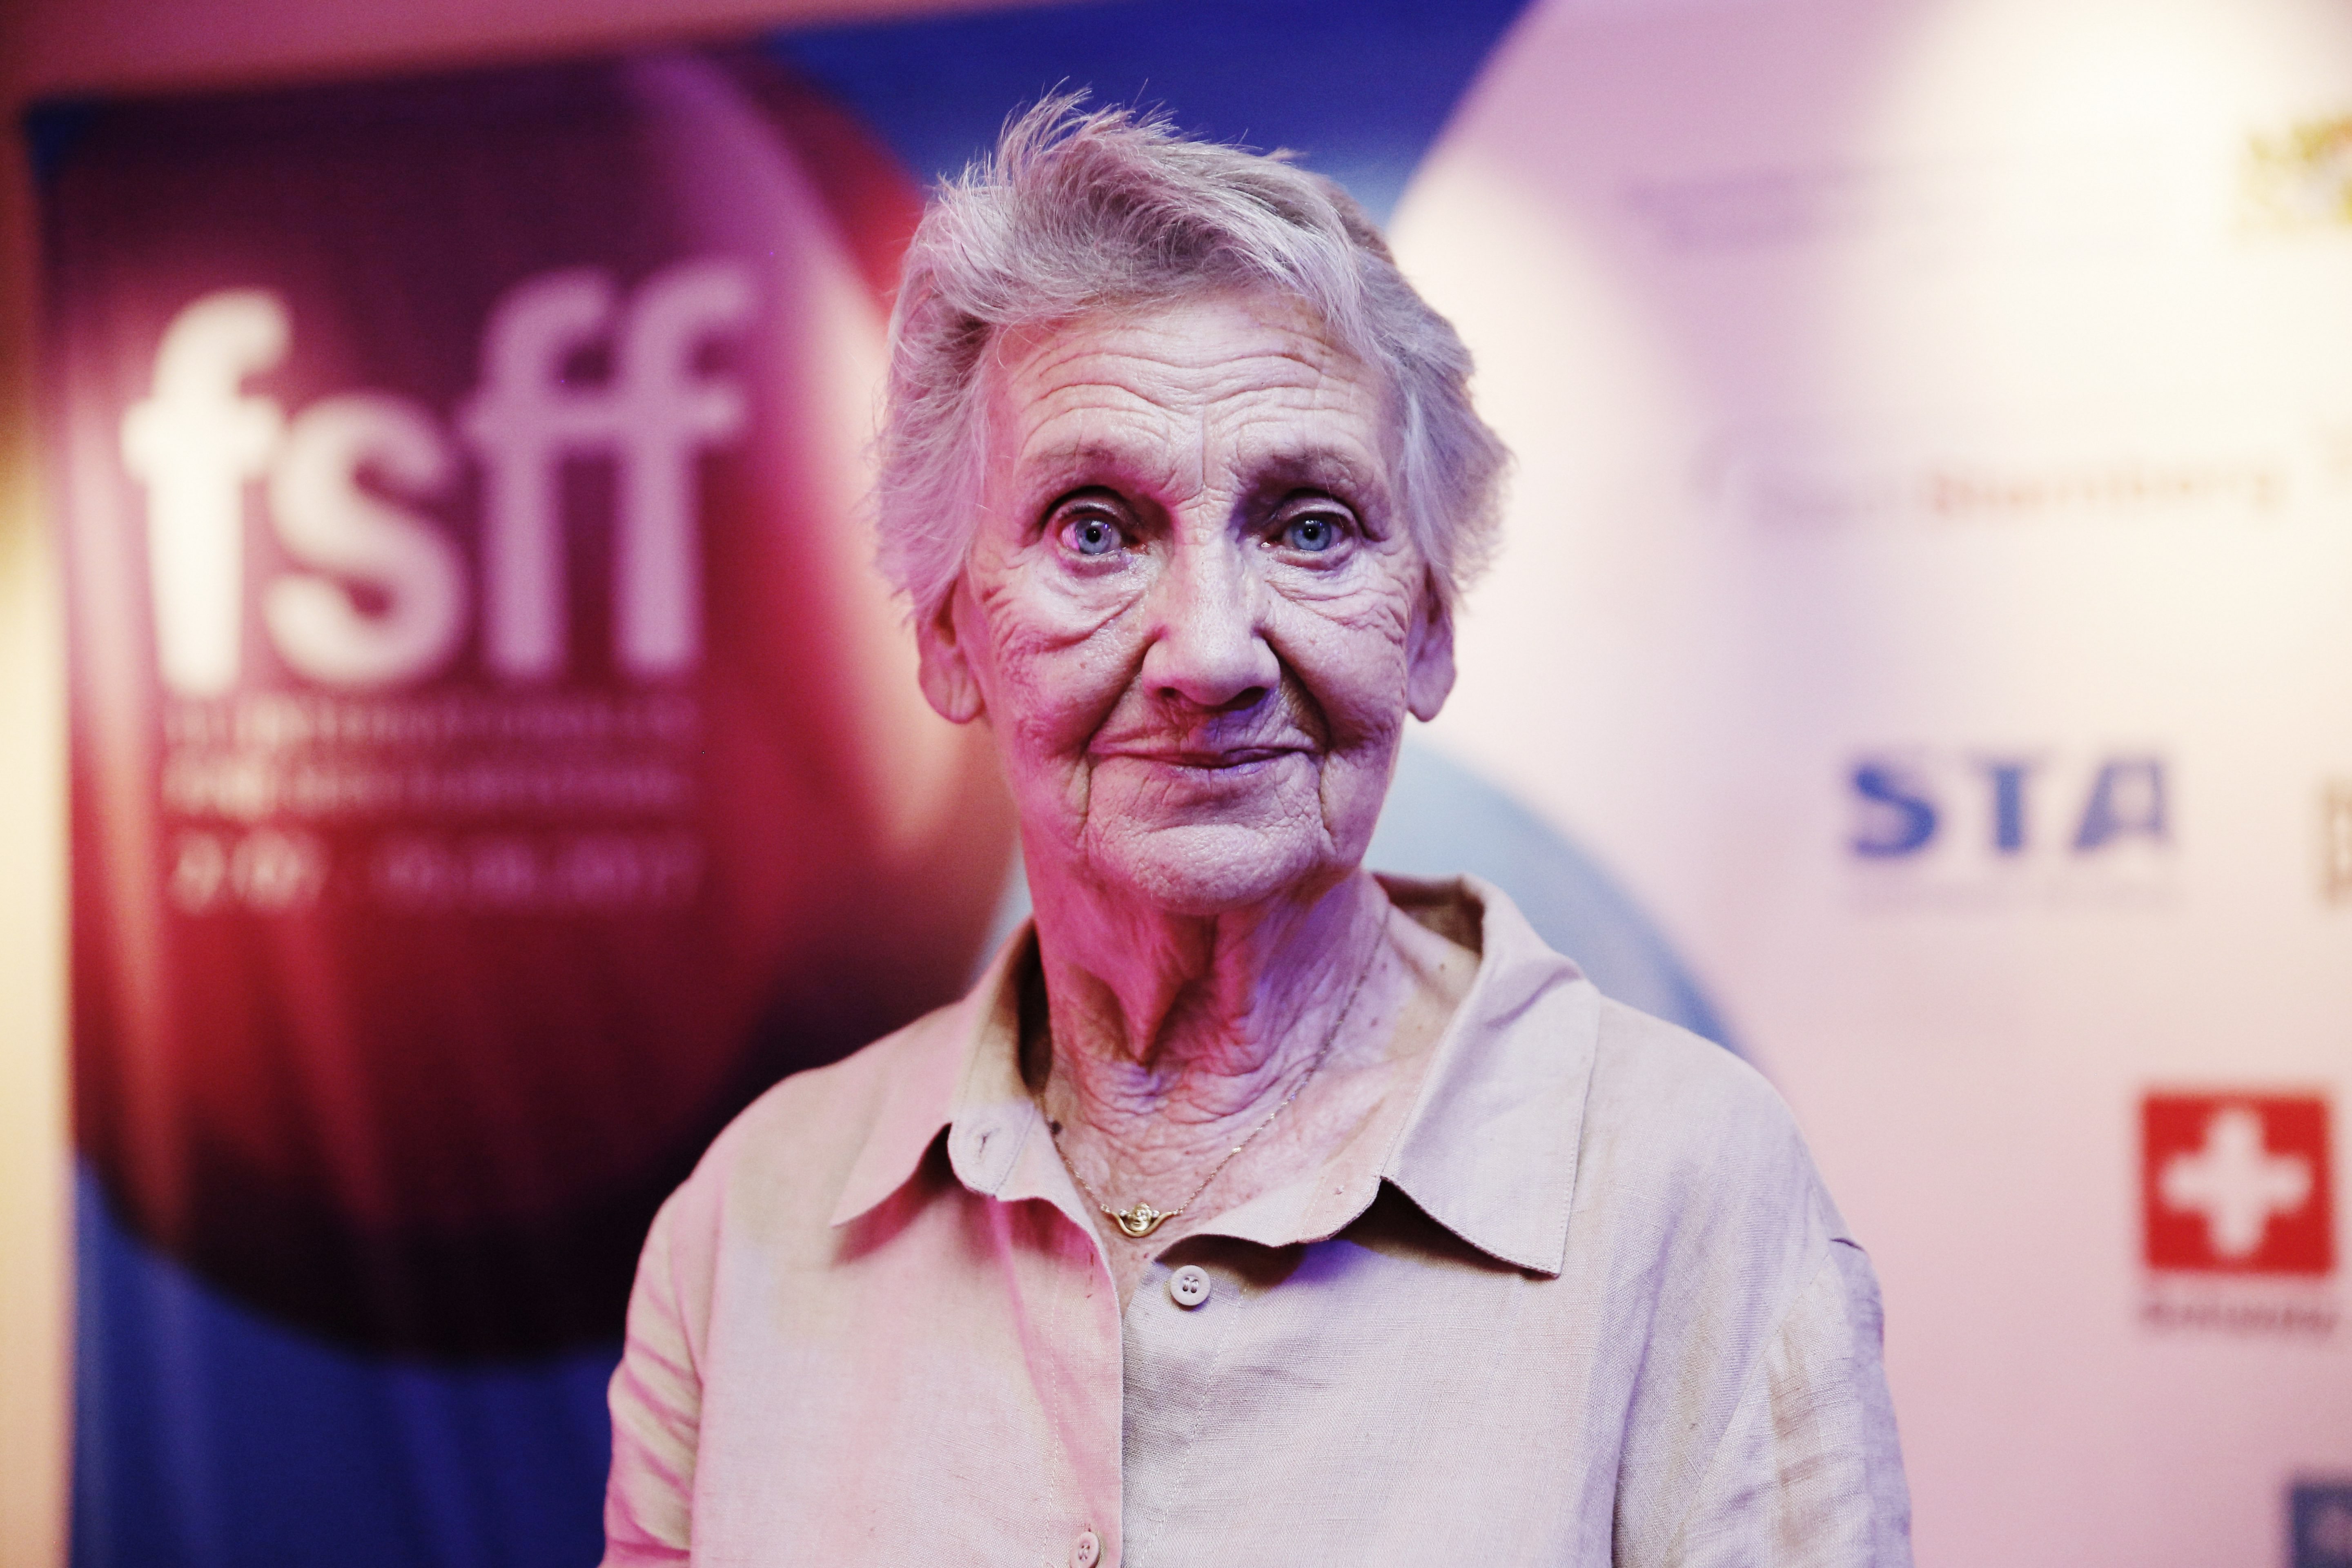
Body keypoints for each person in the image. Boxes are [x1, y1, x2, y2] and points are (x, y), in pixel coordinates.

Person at [601, 99, 1911, 1567]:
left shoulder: (1686, 1183)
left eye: (1309, 526)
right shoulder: (754, 1222)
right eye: (1094, 527)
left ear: (1427, 631)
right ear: (950, 638)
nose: (1211, 653)